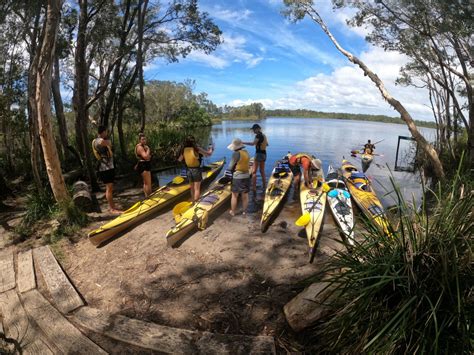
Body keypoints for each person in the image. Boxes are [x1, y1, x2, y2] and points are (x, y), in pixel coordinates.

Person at [92, 125, 122, 213]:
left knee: (109, 188)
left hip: (107, 167)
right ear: (103, 132)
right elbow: (106, 142)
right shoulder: (98, 141)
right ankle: (112, 209)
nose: (107, 133)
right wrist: (108, 140)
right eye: (106, 132)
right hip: (105, 168)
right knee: (109, 188)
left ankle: (112, 207)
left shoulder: (100, 140)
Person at [178, 136, 213, 202]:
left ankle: (193, 200)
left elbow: (179, 159)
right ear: (193, 142)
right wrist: (211, 149)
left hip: (188, 170)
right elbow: (208, 154)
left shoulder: (184, 149)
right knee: (197, 189)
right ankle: (196, 202)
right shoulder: (196, 149)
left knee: (192, 188)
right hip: (196, 170)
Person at [227, 138, 250, 216]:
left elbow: (230, 167)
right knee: (245, 195)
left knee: (234, 195)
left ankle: (233, 212)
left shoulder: (236, 154)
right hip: (246, 176)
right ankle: (244, 212)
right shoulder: (246, 152)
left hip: (237, 177)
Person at [243, 124, 268, 194]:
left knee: (254, 172)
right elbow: (267, 144)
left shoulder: (258, 135)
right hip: (264, 154)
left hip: (259, 154)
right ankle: (264, 186)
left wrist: (243, 142)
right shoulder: (263, 135)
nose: (253, 131)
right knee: (262, 171)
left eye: (254, 129)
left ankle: (254, 189)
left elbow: (252, 144)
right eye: (253, 129)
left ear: (258, 129)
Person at [135, 133, 152, 197]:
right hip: (143, 165)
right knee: (148, 183)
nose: (144, 140)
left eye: (145, 139)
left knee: (145, 183)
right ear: (139, 140)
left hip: (145, 164)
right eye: (142, 139)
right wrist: (148, 150)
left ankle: (147, 197)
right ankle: (150, 197)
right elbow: (145, 156)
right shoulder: (140, 147)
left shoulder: (143, 146)